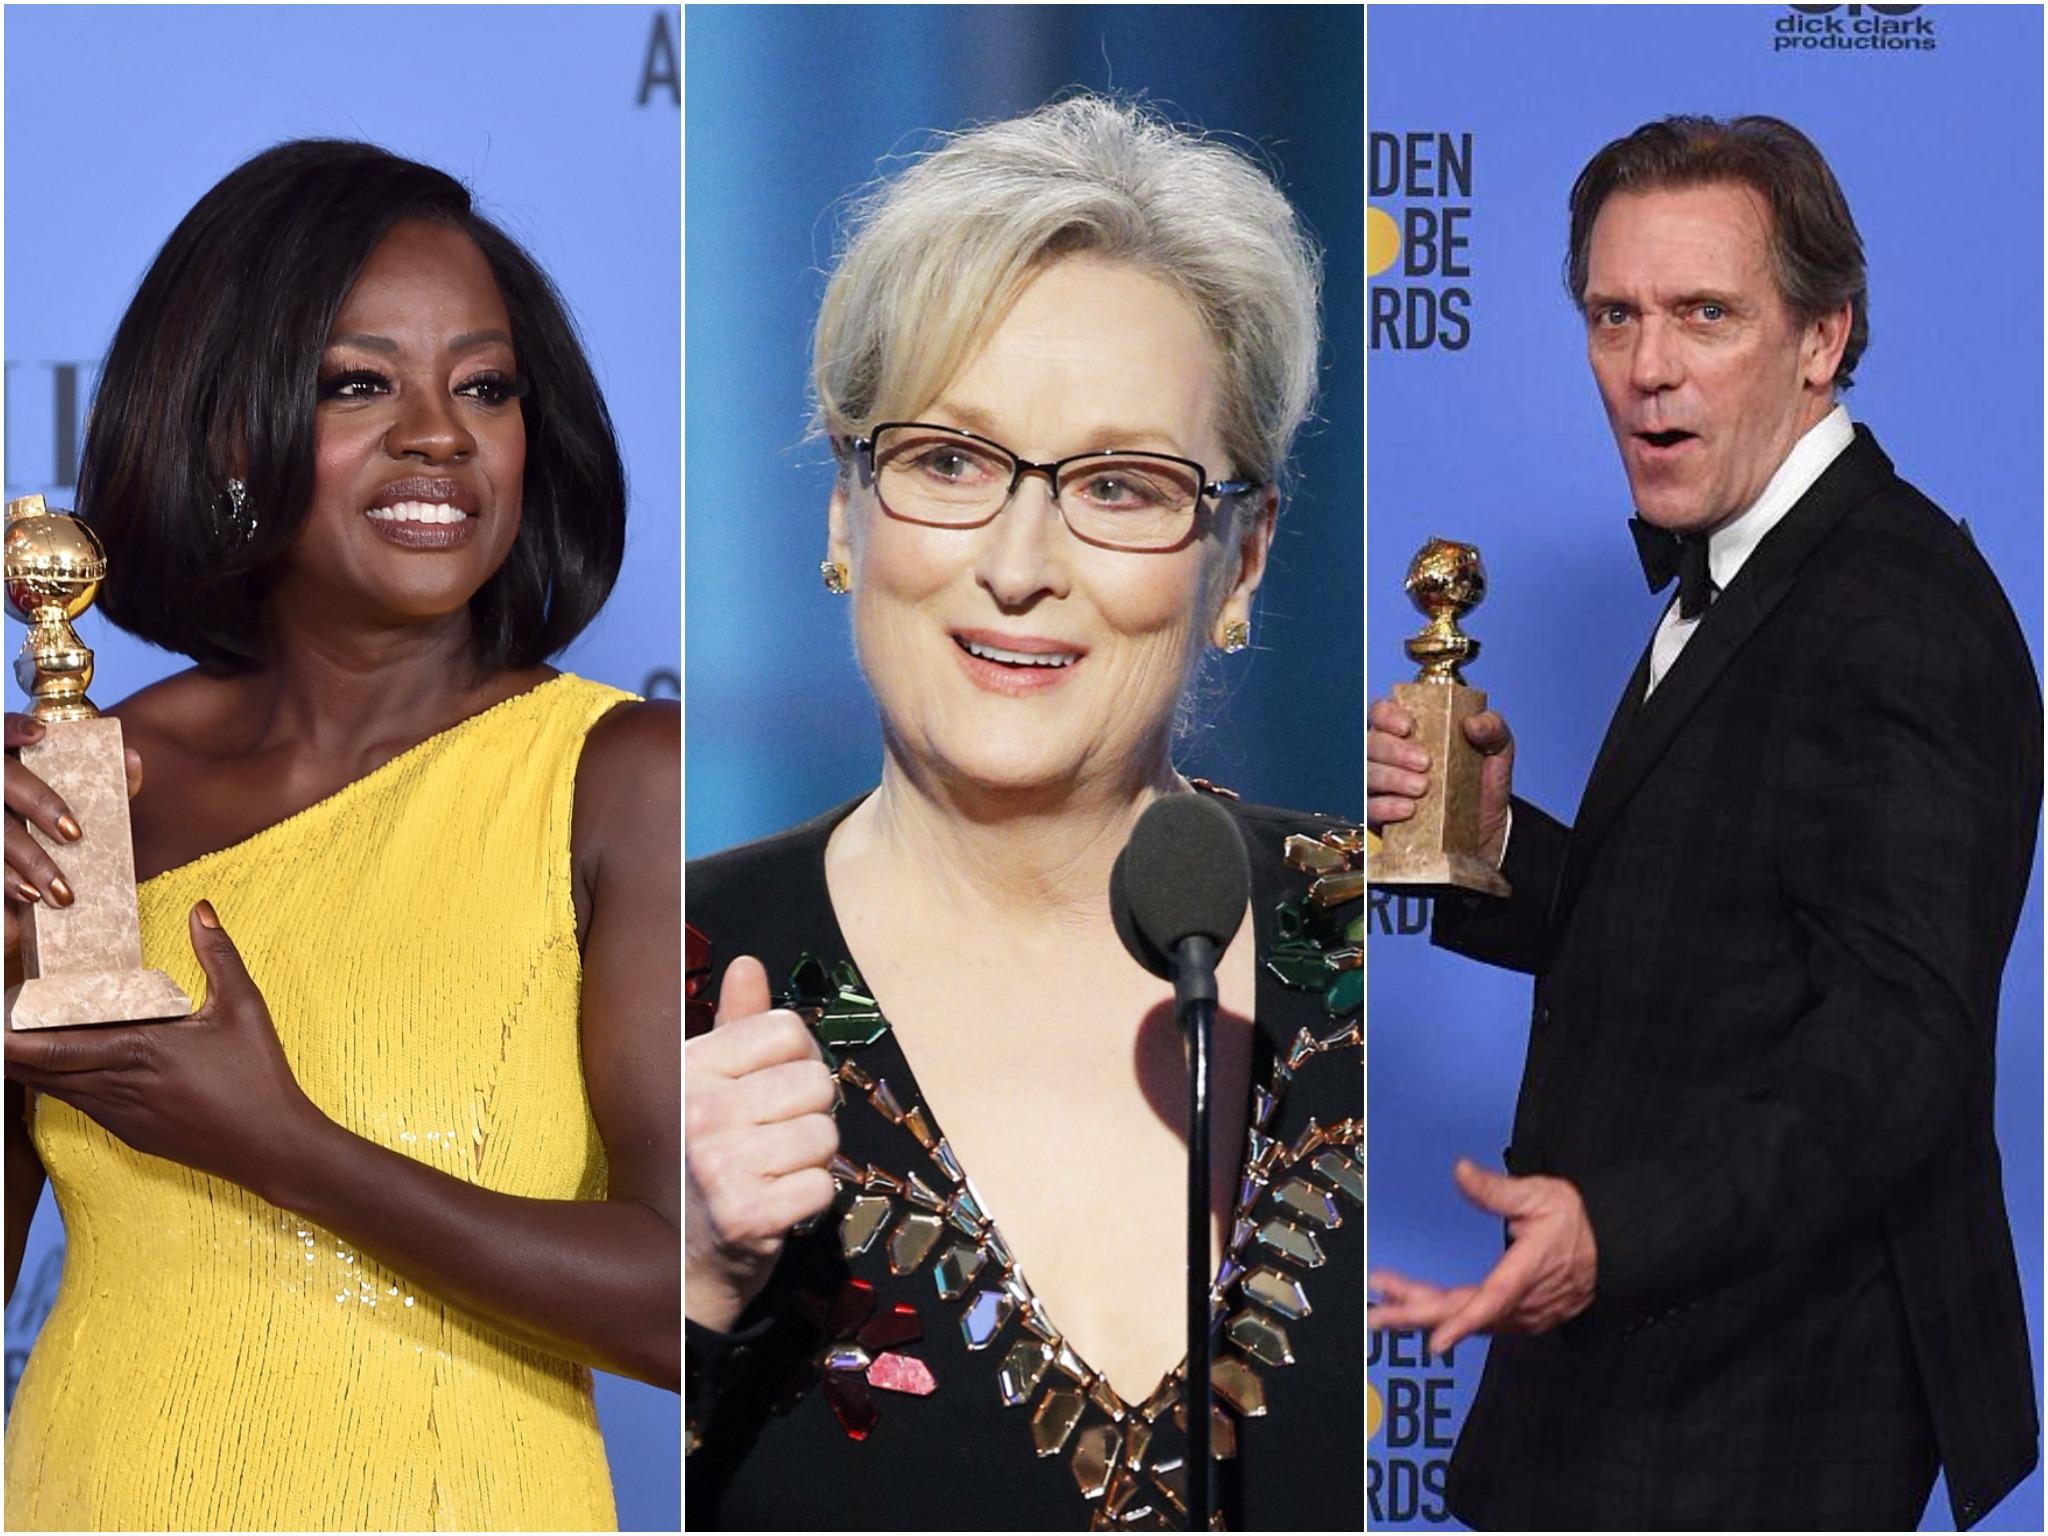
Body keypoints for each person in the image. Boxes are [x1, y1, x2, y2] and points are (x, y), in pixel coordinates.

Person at [684, 95, 1362, 1530]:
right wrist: (679, 1287)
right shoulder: (660, 975)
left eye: (1122, 486)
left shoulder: (1388, 954)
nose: (1018, 561)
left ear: (1239, 562)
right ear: (841, 511)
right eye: (949, 461)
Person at [1367, 114, 2041, 1529]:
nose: (1647, 369)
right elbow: (1719, 938)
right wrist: (1490, 847)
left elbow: (1900, 1044)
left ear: (1821, 339)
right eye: (1613, 315)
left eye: (1704, 316)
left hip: (1760, 1407)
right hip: (1641, 1377)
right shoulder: (1750, 561)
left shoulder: (1898, 607)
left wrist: (1614, 1233)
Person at [2, 140, 679, 1532]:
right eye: (358, 384)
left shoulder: (617, 777)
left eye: (484, 388)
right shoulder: (99, 786)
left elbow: (700, 1305)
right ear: (228, 428)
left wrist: (288, 1146)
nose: (440, 433)